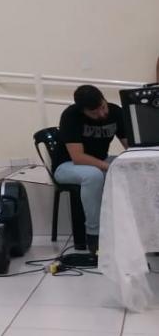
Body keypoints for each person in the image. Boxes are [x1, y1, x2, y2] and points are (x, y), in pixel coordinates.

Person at [55, 84, 127, 254]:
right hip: (66, 166)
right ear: (84, 111)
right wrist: (108, 167)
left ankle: (139, 230)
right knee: (94, 175)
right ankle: (93, 235)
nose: (102, 114)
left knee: (135, 168)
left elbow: (129, 146)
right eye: (94, 113)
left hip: (99, 161)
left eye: (103, 107)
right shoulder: (71, 116)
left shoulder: (116, 112)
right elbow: (78, 157)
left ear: (104, 99)